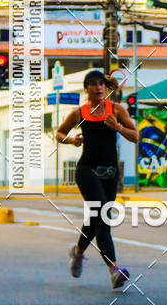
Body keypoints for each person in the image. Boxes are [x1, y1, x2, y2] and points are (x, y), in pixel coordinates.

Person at [56, 70, 138, 290]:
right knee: (103, 215)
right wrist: (72, 139)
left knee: (94, 218)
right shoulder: (79, 112)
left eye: (101, 83)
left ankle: (78, 252)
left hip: (110, 173)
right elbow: (59, 133)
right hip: (87, 171)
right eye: (93, 84)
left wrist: (117, 127)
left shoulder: (117, 110)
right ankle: (114, 269)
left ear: (105, 87)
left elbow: (135, 136)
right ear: (86, 89)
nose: (98, 87)